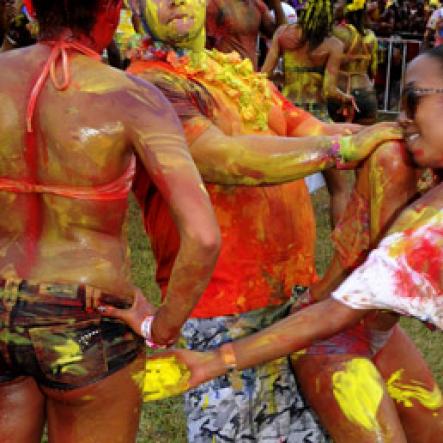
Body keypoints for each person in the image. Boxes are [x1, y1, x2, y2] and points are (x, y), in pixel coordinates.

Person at [107, 45, 443, 443]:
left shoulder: (239, 74)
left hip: (318, 312)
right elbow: (218, 155)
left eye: (411, 100)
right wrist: (344, 148)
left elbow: (312, 130)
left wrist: (346, 142)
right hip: (258, 313)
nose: (400, 120)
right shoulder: (153, 85)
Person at [0, 1, 222, 442]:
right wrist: (161, 327)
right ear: (110, 11)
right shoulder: (133, 97)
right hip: (88, 321)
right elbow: (203, 236)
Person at [261, 0, 355, 226]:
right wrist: (345, 97)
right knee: (339, 189)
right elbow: (328, 90)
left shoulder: (284, 34)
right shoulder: (333, 45)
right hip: (316, 121)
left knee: (279, 183)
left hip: (287, 117)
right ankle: (339, 248)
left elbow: (263, 75)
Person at [329, 0, 379, 125]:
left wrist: (335, 13)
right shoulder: (371, 36)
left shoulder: (336, 33)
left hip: (341, 93)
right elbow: (373, 70)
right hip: (366, 93)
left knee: (338, 140)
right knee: (364, 140)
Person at [206, 0, 286, 70]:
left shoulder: (257, 5)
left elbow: (282, 36)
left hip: (249, 76)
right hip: (223, 75)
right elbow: (204, 45)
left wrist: (277, 4)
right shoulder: (216, 4)